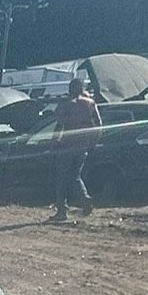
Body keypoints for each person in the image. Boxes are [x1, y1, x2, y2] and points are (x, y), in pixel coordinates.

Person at [50, 75, 101, 220]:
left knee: (61, 178)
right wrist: (93, 142)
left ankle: (61, 211)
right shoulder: (90, 104)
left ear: (70, 89)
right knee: (75, 175)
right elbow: (99, 125)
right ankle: (85, 199)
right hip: (83, 145)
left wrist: (54, 143)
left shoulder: (67, 104)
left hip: (67, 145)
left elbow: (59, 125)